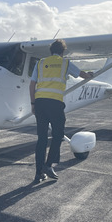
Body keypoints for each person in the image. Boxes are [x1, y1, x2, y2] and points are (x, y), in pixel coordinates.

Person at [29, 39, 93, 183]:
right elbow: (82, 74)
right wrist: (89, 75)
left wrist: (33, 103)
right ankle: (49, 165)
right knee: (58, 135)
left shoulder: (40, 63)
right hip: (55, 104)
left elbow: (32, 84)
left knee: (42, 139)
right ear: (63, 51)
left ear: (50, 51)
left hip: (39, 103)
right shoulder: (65, 63)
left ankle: (38, 173)